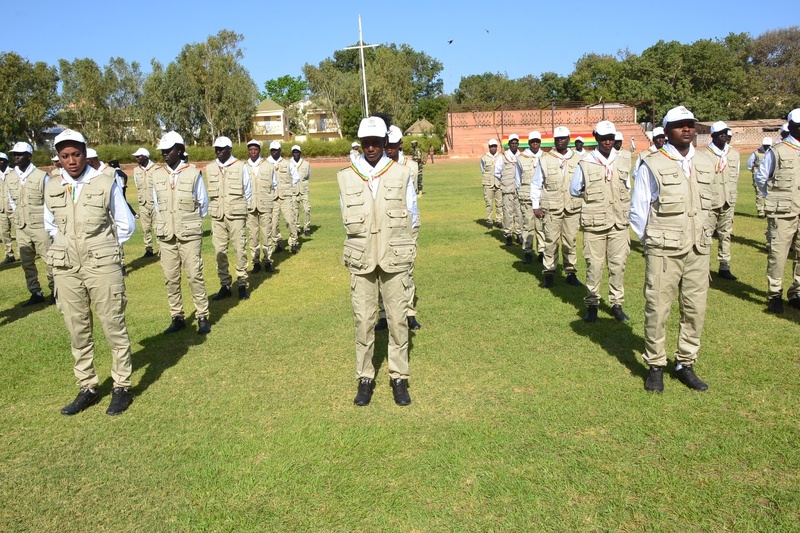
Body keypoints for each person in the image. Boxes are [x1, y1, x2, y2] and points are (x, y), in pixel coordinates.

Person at [44, 129, 135, 415]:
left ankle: (122, 386)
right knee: (77, 328)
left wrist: (102, 246)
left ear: (85, 153)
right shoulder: (52, 186)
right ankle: (88, 386)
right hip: (66, 266)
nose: (71, 161)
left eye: (76, 154)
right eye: (65, 156)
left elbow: (125, 224)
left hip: (102, 264)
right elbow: (50, 223)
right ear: (58, 159)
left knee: (113, 325)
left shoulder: (105, 182)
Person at [630, 106, 716, 393]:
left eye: (690, 124)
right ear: (666, 131)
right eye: (680, 125)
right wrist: (653, 241)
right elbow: (639, 210)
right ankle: (655, 365)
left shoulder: (705, 160)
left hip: (698, 248)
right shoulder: (651, 163)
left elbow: (709, 206)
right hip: (663, 249)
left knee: (695, 308)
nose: (687, 129)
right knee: (658, 307)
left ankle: (685, 363)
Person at [338, 116, 418, 407]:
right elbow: (344, 216)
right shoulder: (346, 176)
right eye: (366, 143)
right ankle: (365, 377)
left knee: (397, 320)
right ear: (360, 144)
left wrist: (404, 248)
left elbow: (412, 214)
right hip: (361, 258)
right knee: (364, 321)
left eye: (376, 142)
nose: (371, 148)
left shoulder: (401, 173)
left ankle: (399, 377)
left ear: (385, 143)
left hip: (394, 257)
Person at [570, 121, 632, 322]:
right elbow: (574, 189)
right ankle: (592, 305)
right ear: (596, 137)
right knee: (594, 267)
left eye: (611, 137)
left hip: (618, 223)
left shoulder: (623, 160)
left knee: (618, 265)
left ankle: (617, 304)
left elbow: (628, 187)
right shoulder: (586, 162)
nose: (608, 141)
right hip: (595, 224)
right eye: (604, 137)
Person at [151, 131, 211, 335]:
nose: (165, 154)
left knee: (195, 275)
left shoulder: (193, 173)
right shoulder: (157, 175)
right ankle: (177, 317)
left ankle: (202, 315)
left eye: (169, 150)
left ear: (180, 150)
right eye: (163, 151)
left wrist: (188, 222)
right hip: (166, 235)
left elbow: (203, 203)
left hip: (189, 235)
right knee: (171, 277)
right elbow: (157, 204)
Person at [754, 109, 800, 314]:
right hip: (783, 211)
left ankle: (796, 292)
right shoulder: (778, 150)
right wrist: (772, 197)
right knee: (778, 254)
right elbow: (761, 178)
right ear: (790, 127)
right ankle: (775, 294)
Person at [532, 126, 583, 287]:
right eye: (557, 138)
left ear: (569, 139)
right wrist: (535, 206)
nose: (560, 141)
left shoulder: (578, 159)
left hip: (572, 208)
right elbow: (536, 184)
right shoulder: (545, 159)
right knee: (550, 241)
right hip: (551, 208)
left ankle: (570, 272)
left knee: (570, 241)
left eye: (563, 138)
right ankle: (549, 273)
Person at [5, 141, 54, 305]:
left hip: (40, 225)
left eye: (19, 154)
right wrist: (18, 215)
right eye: (14, 154)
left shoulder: (42, 176)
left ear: (29, 156)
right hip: (21, 227)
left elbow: (49, 202)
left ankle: (56, 291)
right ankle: (36, 292)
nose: (16, 157)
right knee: (27, 262)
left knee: (50, 259)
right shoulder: (10, 177)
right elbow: (12, 201)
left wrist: (49, 224)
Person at [384, 125, 422, 330]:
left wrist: (412, 223)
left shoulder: (412, 166)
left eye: (392, 145)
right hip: (384, 224)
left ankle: (408, 312)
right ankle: (383, 314)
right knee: (382, 268)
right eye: (386, 145)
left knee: (407, 268)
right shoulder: (378, 165)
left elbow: (412, 198)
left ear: (400, 144)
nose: (388, 149)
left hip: (408, 223)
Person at [206, 136, 252, 300]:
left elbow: (248, 190)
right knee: (219, 251)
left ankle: (242, 284)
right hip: (218, 216)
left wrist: (239, 207)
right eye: (216, 148)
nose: (218, 151)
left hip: (236, 215)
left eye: (222, 148)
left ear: (230, 149)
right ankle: (225, 284)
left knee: (240, 249)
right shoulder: (210, 168)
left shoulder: (240, 166)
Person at [705, 121, 740, 281]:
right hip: (711, 201)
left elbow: (736, 175)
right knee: (705, 235)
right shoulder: (704, 155)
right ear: (712, 136)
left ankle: (724, 265)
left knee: (726, 234)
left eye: (726, 133)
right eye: (721, 133)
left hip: (728, 200)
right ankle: (703, 267)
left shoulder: (734, 154)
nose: (724, 136)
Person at [245, 139, 276, 273]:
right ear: (248, 151)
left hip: (265, 205)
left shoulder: (268, 165)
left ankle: (268, 260)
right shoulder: (244, 166)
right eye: (251, 150)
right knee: (253, 235)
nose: (253, 152)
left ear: (259, 150)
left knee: (267, 233)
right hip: (250, 206)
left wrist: (269, 199)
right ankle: (256, 262)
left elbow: (275, 185)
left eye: (255, 149)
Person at [267, 141, 299, 255]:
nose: (275, 152)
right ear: (270, 151)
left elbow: (296, 177)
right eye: (273, 150)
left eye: (277, 150)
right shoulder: (266, 163)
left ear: (280, 150)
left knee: (290, 221)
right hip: (272, 198)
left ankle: (294, 242)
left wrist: (289, 187)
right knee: (273, 223)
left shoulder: (287, 163)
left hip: (286, 197)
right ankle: (278, 242)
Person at [518, 131, 544, 263]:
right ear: (529, 142)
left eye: (537, 141)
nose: (535, 143)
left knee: (541, 224)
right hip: (526, 194)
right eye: (533, 141)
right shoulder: (522, 158)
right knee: (527, 224)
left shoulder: (545, 157)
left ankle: (542, 251)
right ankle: (527, 251)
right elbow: (517, 178)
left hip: (542, 196)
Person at [494, 134, 523, 246]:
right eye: (512, 143)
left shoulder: (522, 156)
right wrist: (505, 181)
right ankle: (508, 234)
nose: (514, 145)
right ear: (509, 144)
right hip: (507, 188)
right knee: (507, 212)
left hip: (520, 189)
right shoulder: (503, 156)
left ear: (518, 144)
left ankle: (519, 233)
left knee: (519, 212)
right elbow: (497, 172)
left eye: (516, 143)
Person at [132, 148, 158, 257]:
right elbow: (137, 185)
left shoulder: (156, 169)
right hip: (143, 203)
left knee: (158, 227)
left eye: (139, 156)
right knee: (145, 228)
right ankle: (148, 248)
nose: (137, 159)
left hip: (155, 203)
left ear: (146, 157)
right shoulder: (136, 170)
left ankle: (162, 248)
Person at [747, 137, 772, 219]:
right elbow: (749, 164)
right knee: (759, 194)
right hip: (759, 176)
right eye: (765, 145)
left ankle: (768, 211)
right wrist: (755, 172)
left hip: (770, 176)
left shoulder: (772, 152)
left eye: (768, 145)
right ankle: (760, 212)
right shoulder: (756, 153)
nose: (766, 147)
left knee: (770, 194)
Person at [479, 139, 503, 229]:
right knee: (489, 203)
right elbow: (482, 170)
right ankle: (489, 220)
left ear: (497, 147)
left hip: (499, 183)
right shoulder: (484, 157)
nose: (493, 148)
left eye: (494, 146)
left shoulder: (501, 156)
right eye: (491, 146)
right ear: (489, 147)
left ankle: (499, 221)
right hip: (488, 183)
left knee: (499, 203)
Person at [290, 145, 312, 236]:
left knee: (307, 209)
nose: (296, 154)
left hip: (304, 190)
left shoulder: (306, 164)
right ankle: (297, 228)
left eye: (297, 152)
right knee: (295, 211)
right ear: (292, 153)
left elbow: (308, 176)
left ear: (300, 153)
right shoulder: (289, 163)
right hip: (293, 191)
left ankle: (307, 228)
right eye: (294, 152)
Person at [0, 152, 15, 263]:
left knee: (20, 232)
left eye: (1, 160)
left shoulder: (13, 173)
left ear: (6, 161)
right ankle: (9, 254)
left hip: (13, 208)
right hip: (1, 209)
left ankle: (24, 253)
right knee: (4, 232)